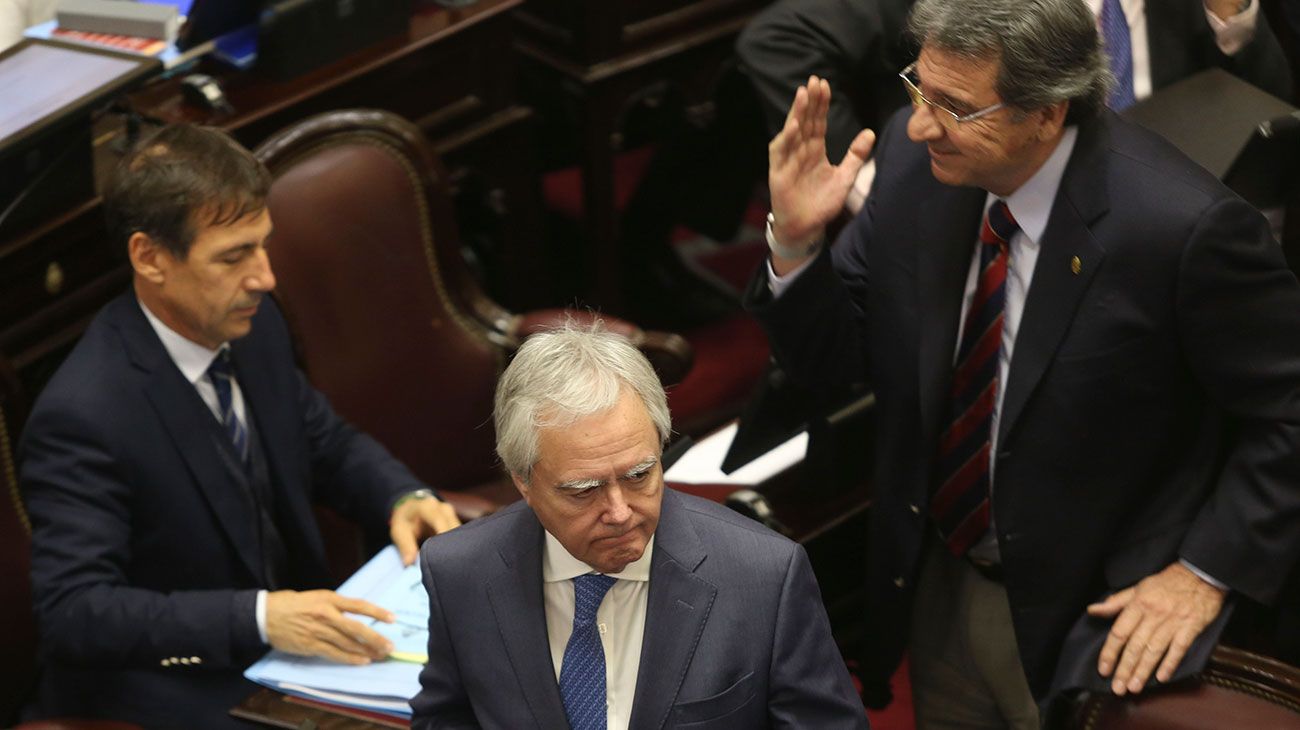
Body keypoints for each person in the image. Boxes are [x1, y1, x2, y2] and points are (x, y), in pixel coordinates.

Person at [745, 0, 1300, 726]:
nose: (917, 125)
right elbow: (835, 360)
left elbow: (1288, 409)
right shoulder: (918, 170)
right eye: (919, 88)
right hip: (943, 574)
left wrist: (1206, 572)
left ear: (1047, 112)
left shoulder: (1181, 229)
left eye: (955, 107)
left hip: (1097, 609)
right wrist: (794, 246)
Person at [20, 123, 461, 728]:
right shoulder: (84, 415)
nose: (265, 277)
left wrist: (400, 495)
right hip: (172, 680)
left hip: (292, 650)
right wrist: (257, 617)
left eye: (263, 244)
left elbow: (323, 441)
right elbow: (76, 611)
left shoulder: (251, 327)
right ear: (150, 257)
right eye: (233, 257)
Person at [409, 323, 867, 729]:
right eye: (583, 489)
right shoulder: (458, 572)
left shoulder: (765, 576)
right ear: (524, 482)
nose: (620, 511)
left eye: (638, 475)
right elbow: (446, 716)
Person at [737, 0, 1293, 213]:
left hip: (1176, 226)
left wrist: (1231, 13)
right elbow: (777, 40)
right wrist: (874, 191)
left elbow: (1272, 113)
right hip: (1000, 231)